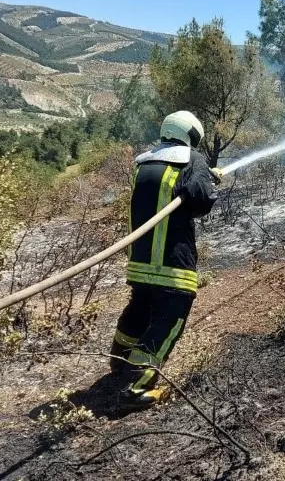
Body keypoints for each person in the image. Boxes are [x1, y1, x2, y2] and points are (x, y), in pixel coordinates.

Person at [109, 111, 221, 408]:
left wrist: (204, 177)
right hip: (171, 263)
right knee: (169, 318)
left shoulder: (145, 163)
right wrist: (207, 179)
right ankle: (135, 387)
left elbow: (176, 192)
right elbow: (199, 200)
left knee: (141, 308)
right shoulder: (192, 159)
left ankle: (119, 360)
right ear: (190, 135)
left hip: (141, 262)